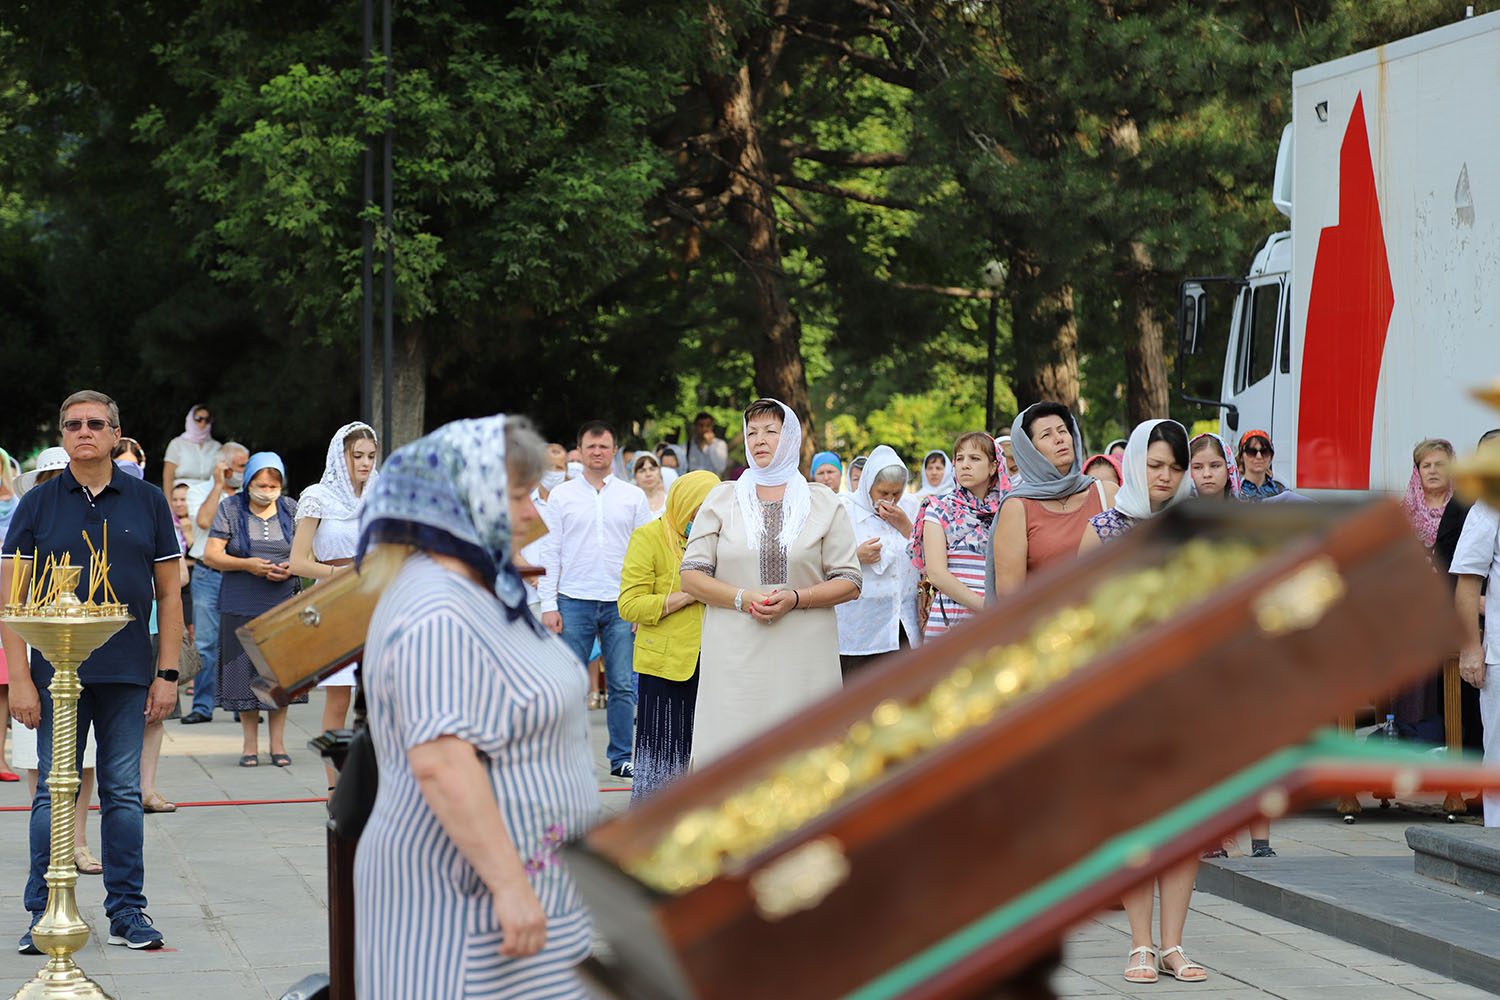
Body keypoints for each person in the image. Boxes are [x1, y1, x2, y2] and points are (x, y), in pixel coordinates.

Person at [353, 414, 598, 999]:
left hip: (523, 892)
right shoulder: (436, 609)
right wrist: (509, 886)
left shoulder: (480, 585)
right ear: (459, 501)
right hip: (466, 901)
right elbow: (441, 761)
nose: (533, 514)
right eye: (516, 496)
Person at [3, 389, 181, 953]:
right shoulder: (36, 504)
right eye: (74, 424)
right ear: (63, 434)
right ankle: (43, 911)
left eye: (96, 424)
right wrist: (19, 680)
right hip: (53, 677)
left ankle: (128, 911)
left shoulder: (149, 501)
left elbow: (169, 596)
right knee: (52, 792)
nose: (85, 431)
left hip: (128, 672)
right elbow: (11, 600)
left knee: (123, 792)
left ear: (115, 434)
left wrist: (168, 673)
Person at [1077, 420, 1204, 984]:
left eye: (1175, 467)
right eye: (1155, 465)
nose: (1165, 477)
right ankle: (1141, 944)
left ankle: (1174, 944)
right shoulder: (1103, 529)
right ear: (1134, 464)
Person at [680, 399, 861, 763]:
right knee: (731, 750)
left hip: (805, 657)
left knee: (806, 750)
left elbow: (850, 580)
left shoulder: (822, 502)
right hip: (734, 655)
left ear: (790, 437)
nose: (759, 440)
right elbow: (691, 576)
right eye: (752, 432)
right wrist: (741, 598)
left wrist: (797, 597)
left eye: (770, 431)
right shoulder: (722, 498)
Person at [538, 421, 651, 779]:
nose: (597, 452)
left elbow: (645, 553)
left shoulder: (633, 496)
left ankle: (622, 757)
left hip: (621, 602)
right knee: (569, 684)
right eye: (591, 446)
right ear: (580, 451)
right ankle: (567, 760)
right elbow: (550, 550)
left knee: (621, 684)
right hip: (573, 599)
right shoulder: (562, 496)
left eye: (604, 446)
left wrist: (642, 603)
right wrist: (548, 604)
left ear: (614, 451)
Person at [618, 470, 719, 799]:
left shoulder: (720, 541)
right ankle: (656, 816)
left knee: (708, 750)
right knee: (664, 753)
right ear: (683, 504)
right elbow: (629, 604)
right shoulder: (648, 537)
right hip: (665, 666)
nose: (703, 520)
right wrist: (688, 594)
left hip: (717, 661)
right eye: (697, 512)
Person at [290, 422, 380, 789]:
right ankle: (335, 786)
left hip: (377, 600)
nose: (365, 463)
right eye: (357, 455)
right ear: (341, 456)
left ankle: (374, 785)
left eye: (371, 456)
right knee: (339, 700)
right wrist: (339, 573)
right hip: (335, 601)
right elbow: (297, 562)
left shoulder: (381, 495)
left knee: (379, 699)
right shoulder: (317, 496)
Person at [202, 452, 303, 767]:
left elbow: (308, 551)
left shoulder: (291, 509)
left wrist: (291, 567)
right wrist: (248, 565)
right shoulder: (231, 509)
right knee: (244, 673)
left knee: (279, 674)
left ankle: (278, 744)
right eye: (261, 485)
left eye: (273, 486)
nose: (267, 491)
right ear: (248, 483)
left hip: (282, 603)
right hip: (241, 602)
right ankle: (249, 745)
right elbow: (211, 555)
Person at [988, 403, 1117, 603]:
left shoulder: (1106, 493)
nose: (1059, 439)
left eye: (1063, 431)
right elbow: (1010, 597)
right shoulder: (1017, 507)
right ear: (1029, 450)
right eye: (1046, 435)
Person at [178, 442, 249, 724]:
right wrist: (218, 485)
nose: (245, 471)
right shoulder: (199, 491)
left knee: (240, 641)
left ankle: (242, 705)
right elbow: (205, 521)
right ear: (224, 466)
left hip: (240, 575)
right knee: (206, 643)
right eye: (241, 466)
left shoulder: (249, 494)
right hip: (207, 574)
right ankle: (202, 706)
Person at [836, 446, 921, 677]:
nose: (890, 500)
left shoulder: (911, 506)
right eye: (883, 492)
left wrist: (906, 527)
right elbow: (822, 561)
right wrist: (855, 557)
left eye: (896, 493)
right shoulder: (844, 508)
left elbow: (927, 556)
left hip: (902, 622)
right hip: (860, 627)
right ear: (867, 486)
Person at [914, 432, 1002, 639]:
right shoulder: (938, 508)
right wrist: (985, 606)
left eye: (975, 458)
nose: (965, 465)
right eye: (959, 459)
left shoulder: (1008, 508)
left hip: (997, 620)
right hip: (951, 618)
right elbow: (937, 574)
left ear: (993, 466)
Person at [161, 404, 220, 492]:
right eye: (198, 419)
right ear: (191, 419)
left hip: (208, 493)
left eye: (207, 420)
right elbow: (168, 476)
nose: (203, 423)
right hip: (182, 494)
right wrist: (168, 499)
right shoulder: (177, 444)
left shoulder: (216, 447)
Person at [1235, 429, 1288, 501]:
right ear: (1241, 457)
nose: (1259, 456)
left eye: (1264, 452)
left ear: (1271, 456)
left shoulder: (1281, 491)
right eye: (1251, 451)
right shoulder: (1233, 490)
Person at [1188, 434, 1240, 500]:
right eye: (1197, 467)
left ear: (1229, 470)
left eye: (1215, 466)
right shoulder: (1177, 506)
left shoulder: (1247, 506)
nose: (1207, 474)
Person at [686, 412, 729, 478]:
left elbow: (721, 468)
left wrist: (711, 445)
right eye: (701, 425)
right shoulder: (687, 446)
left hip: (713, 482)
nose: (704, 429)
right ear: (695, 426)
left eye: (708, 426)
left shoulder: (720, 444)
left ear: (712, 427)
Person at [631, 452, 669, 519]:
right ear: (635, 476)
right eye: (642, 471)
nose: (648, 474)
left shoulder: (669, 501)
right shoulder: (631, 503)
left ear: (659, 472)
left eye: (652, 469)